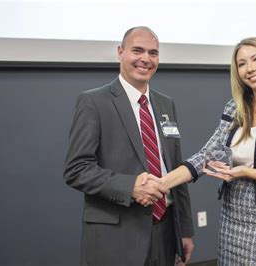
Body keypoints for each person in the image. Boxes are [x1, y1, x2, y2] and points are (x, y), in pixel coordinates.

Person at [148, 37, 256, 265]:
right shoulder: (234, 107)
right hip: (232, 219)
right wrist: (160, 184)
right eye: (242, 64)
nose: (250, 68)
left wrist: (249, 173)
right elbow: (205, 156)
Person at [63, 26, 194, 266]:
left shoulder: (166, 104)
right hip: (117, 236)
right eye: (137, 50)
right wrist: (129, 186)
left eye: (153, 53)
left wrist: (184, 229)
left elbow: (175, 168)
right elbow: (76, 169)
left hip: (165, 232)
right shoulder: (93, 102)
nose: (145, 59)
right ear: (120, 52)